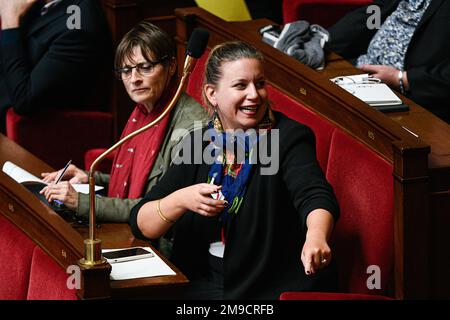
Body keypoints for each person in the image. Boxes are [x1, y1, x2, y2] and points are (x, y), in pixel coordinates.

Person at [129, 41, 340, 299]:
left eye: (260, 83)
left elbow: (314, 195)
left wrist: (316, 236)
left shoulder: (288, 138)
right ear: (212, 94)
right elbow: (142, 222)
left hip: (263, 288)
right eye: (241, 85)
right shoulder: (199, 142)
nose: (254, 94)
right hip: (199, 282)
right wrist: (182, 199)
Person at [39, 21, 208, 223]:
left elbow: (159, 206)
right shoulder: (145, 111)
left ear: (171, 66)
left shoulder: (191, 129)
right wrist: (91, 178)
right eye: (126, 71)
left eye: (145, 67)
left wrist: (82, 202)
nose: (134, 79)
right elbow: (141, 182)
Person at [326, 0, 450, 123]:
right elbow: (373, 14)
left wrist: (402, 79)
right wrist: (323, 40)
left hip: (411, 97)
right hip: (360, 71)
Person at [0, 0, 112, 133]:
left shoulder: (78, 25)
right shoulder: (40, 4)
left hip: (21, 134)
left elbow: (24, 101)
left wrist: (10, 22)